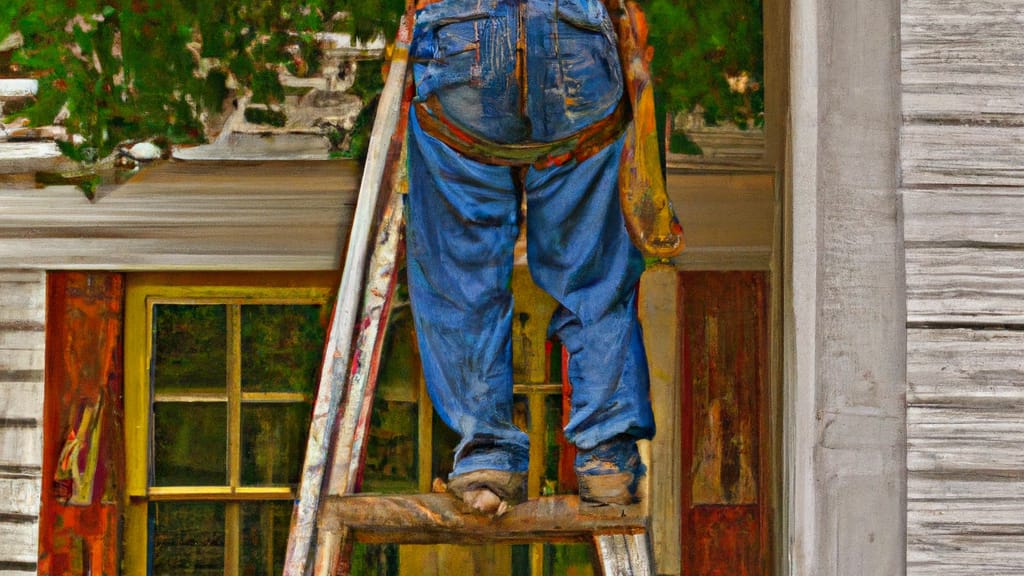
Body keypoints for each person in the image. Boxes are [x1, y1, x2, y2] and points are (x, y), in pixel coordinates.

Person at [404, 0, 655, 513]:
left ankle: (486, 457)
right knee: (594, 271)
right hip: (575, 41)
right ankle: (606, 454)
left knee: (460, 272)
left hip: (465, 41)